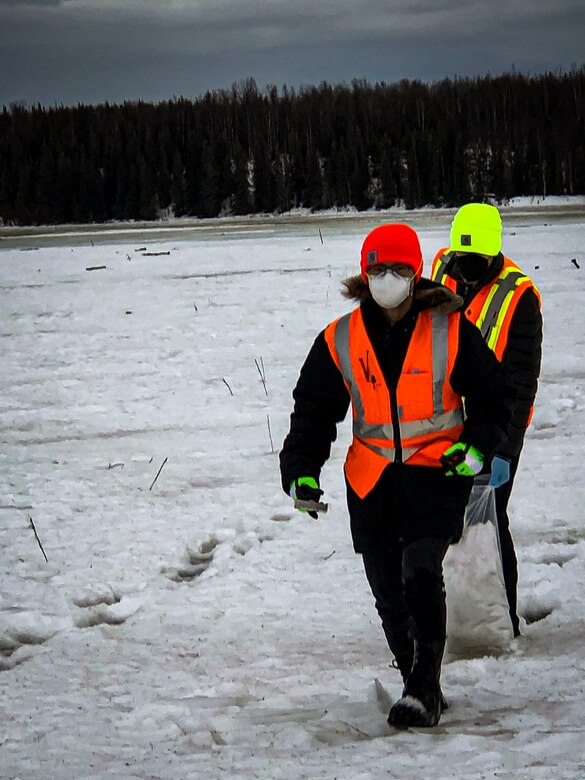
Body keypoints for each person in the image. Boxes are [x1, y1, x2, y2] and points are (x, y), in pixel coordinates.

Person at [279, 223, 512, 729]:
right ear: (365, 275)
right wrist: (300, 472)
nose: (388, 278)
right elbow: (314, 410)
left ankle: (424, 690)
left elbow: (494, 399)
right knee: (388, 592)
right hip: (371, 482)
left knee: (420, 572)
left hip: (436, 472)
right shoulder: (340, 338)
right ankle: (416, 679)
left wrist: (475, 447)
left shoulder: (451, 329)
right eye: (378, 269)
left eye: (398, 269)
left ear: (416, 273)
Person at [431, 203, 542, 638]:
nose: (466, 272)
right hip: (443, 422)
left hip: (496, 426)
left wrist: (504, 452)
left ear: (495, 255)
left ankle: (501, 619)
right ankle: (444, 620)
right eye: (463, 261)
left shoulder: (520, 297)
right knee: (438, 521)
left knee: (491, 522)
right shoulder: (442, 266)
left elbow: (520, 385)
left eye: (476, 265)